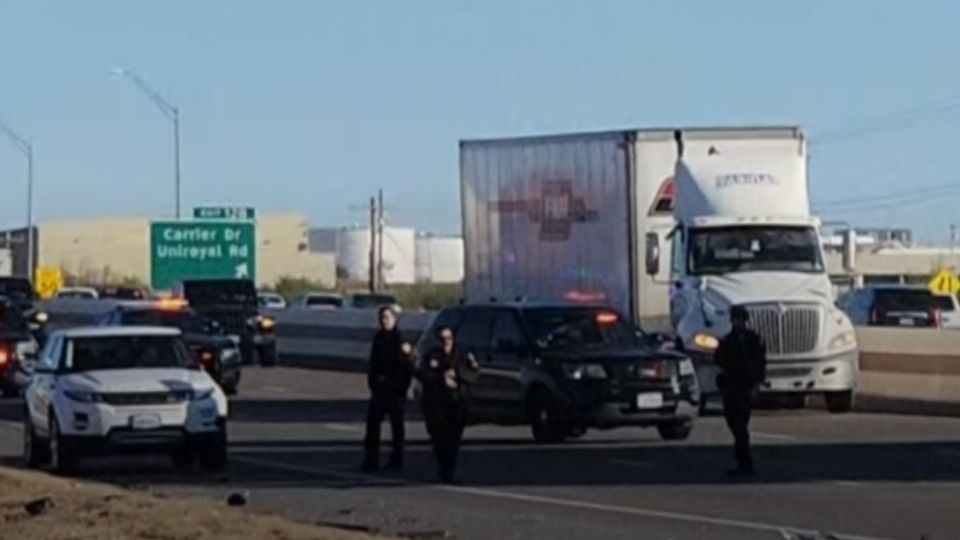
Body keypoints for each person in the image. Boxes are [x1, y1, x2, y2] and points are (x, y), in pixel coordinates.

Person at [417, 326, 479, 484]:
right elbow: (421, 373)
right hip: (436, 404)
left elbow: (474, 374)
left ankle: (448, 470)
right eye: (443, 339)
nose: (446, 342)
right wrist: (440, 377)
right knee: (438, 439)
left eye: (449, 338)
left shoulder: (463, 354)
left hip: (456, 402)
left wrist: (457, 376)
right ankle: (443, 468)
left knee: (453, 439)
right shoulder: (431, 355)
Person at [714, 305, 767, 477]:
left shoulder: (752, 340)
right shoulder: (728, 340)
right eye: (735, 319)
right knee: (734, 425)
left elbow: (759, 364)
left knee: (740, 427)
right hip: (731, 388)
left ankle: (745, 463)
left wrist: (756, 385)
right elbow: (720, 361)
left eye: (739, 319)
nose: (737, 322)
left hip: (744, 387)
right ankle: (742, 462)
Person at [361, 306, 413, 472]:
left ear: (395, 319)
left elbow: (407, 366)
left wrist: (401, 387)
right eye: (382, 317)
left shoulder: (400, 339)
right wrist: (373, 383)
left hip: (395, 389)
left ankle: (396, 460)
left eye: (387, 317)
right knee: (373, 425)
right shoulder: (378, 338)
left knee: (397, 426)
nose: (384, 320)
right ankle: (371, 460)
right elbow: (373, 363)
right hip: (379, 388)